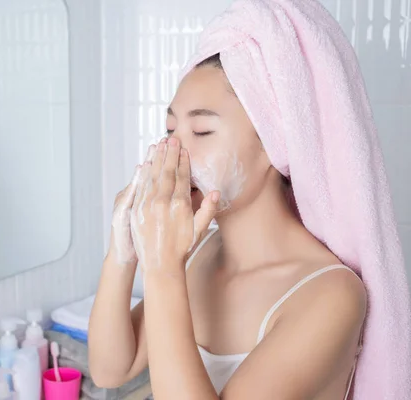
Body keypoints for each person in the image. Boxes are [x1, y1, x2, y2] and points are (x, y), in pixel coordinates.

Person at [88, 54, 369, 400]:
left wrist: (162, 271)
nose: (173, 150)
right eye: (170, 130)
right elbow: (110, 370)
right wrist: (122, 254)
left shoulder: (331, 296)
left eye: (202, 131)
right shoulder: (196, 253)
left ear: (274, 144)